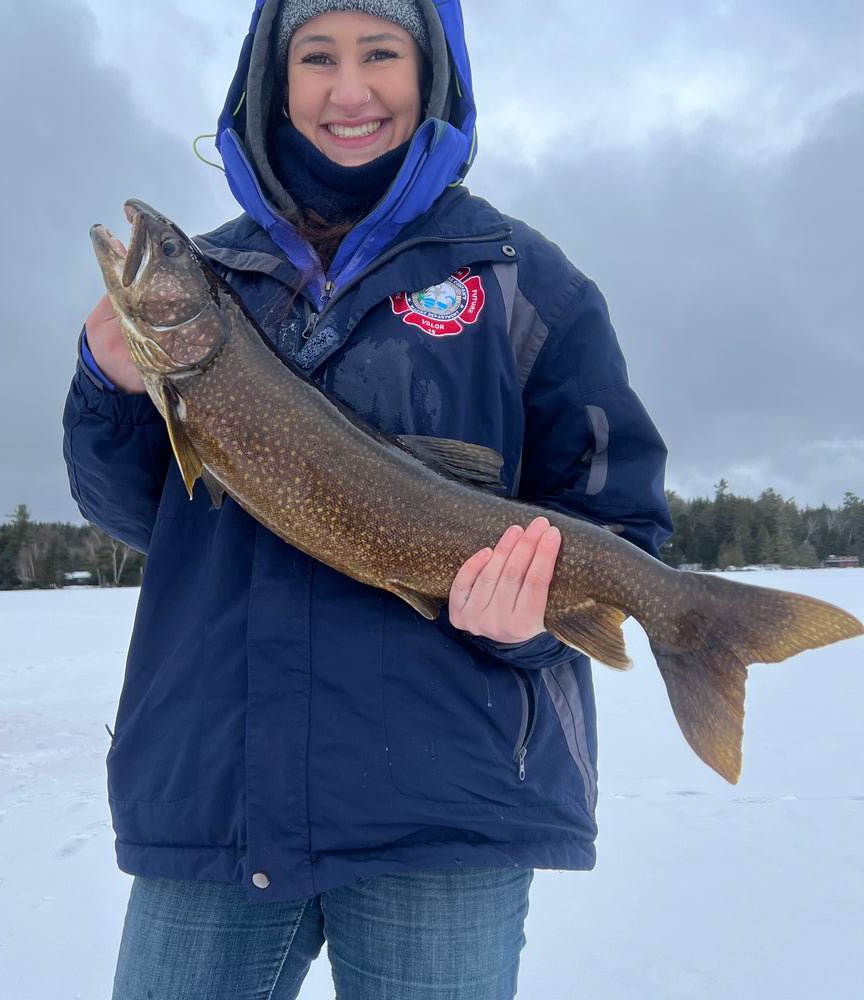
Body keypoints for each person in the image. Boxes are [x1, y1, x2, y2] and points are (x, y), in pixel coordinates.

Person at [63, 1, 672, 997]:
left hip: (445, 807)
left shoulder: (525, 282)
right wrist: (104, 382)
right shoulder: (211, 280)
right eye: (317, 57)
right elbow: (141, 518)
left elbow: (616, 519)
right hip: (212, 799)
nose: (349, 90)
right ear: (273, 78)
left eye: (379, 52)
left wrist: (531, 623)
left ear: (429, 72)